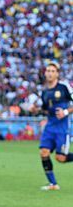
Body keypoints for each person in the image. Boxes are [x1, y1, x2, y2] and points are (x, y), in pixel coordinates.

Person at [32, 62, 73, 190]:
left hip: (62, 128)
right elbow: (46, 110)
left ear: (57, 74)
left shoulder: (64, 88)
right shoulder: (45, 93)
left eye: (52, 71)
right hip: (50, 127)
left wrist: (65, 112)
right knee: (43, 152)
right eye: (48, 71)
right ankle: (53, 184)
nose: (49, 73)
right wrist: (36, 110)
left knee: (60, 158)